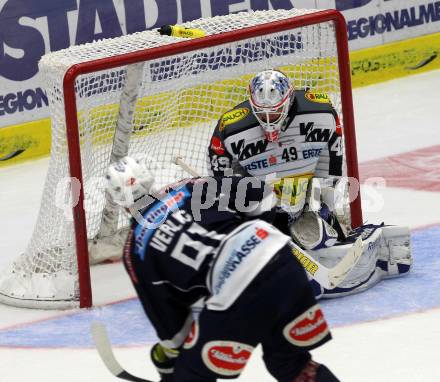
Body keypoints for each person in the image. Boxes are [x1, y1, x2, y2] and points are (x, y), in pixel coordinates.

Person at [105, 156, 341, 382]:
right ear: (149, 178)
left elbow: (175, 333)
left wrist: (170, 368)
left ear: (117, 201)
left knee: (191, 377)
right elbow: (264, 196)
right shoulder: (189, 188)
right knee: (291, 364)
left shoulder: (135, 249)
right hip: (281, 259)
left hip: (238, 292)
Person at [207, 69, 412, 298]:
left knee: (316, 234)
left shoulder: (320, 112)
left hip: (306, 198)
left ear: (289, 99)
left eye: (274, 112)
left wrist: (322, 199)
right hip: (264, 205)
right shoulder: (231, 127)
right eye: (262, 112)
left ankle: (349, 243)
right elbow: (223, 182)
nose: (268, 119)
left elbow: (331, 162)